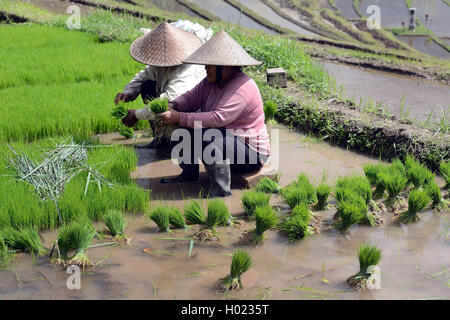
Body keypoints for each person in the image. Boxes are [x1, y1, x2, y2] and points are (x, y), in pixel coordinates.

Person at [156, 30, 271, 197]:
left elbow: (218, 118)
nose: (206, 67)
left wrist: (179, 117)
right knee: (183, 130)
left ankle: (221, 191)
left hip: (251, 152)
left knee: (207, 137)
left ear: (225, 66)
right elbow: (191, 98)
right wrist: (173, 106)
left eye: (210, 64)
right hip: (228, 140)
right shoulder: (211, 82)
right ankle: (189, 174)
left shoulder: (242, 86)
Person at [117, 21, 207, 149]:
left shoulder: (188, 68)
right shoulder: (160, 63)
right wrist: (128, 92)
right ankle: (161, 139)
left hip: (193, 115)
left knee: (170, 108)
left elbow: (168, 100)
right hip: (176, 107)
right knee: (147, 85)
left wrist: (136, 115)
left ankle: (182, 144)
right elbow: (143, 76)